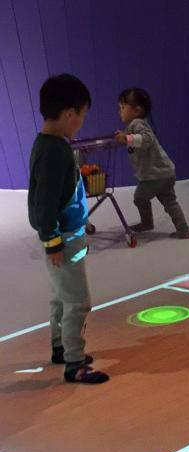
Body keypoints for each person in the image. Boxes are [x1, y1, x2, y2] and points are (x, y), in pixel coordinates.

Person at [28, 74, 109, 383]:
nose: (81, 123)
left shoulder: (48, 144)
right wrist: (53, 242)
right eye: (82, 116)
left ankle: (60, 347)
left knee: (61, 296)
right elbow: (44, 203)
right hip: (64, 239)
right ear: (69, 114)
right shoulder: (54, 151)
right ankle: (74, 363)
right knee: (77, 301)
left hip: (63, 236)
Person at [115, 88, 189, 239]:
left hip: (154, 175)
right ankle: (183, 229)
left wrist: (127, 139)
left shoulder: (137, 123)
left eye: (122, 107)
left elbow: (147, 139)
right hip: (165, 172)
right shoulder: (136, 125)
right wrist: (124, 138)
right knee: (170, 202)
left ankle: (147, 222)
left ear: (137, 110)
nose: (119, 111)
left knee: (140, 197)